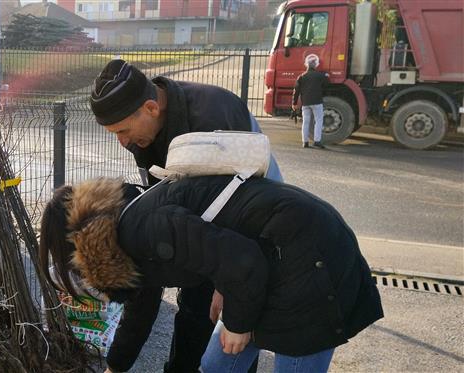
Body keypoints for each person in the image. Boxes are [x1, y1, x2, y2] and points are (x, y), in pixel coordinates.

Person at [38, 177, 383, 373]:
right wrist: (222, 281)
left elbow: (243, 261)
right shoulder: (124, 226)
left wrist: (238, 322)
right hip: (266, 263)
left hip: (310, 258)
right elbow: (218, 238)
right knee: (216, 365)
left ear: (76, 246)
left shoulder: (144, 229)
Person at [89, 59, 282, 372]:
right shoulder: (144, 136)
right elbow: (158, 230)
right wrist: (117, 365)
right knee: (193, 308)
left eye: (122, 131)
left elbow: (246, 211)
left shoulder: (214, 116)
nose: (121, 142)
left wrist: (228, 285)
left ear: (151, 108)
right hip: (204, 223)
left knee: (231, 332)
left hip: (254, 228)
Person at [292, 55, 330, 149]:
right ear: (316, 65)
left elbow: (296, 91)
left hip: (306, 103)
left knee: (306, 122)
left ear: (306, 65)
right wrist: (326, 76)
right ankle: (317, 141)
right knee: (318, 121)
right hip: (317, 102)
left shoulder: (301, 77)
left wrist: (294, 103)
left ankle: (305, 142)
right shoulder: (320, 76)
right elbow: (327, 84)